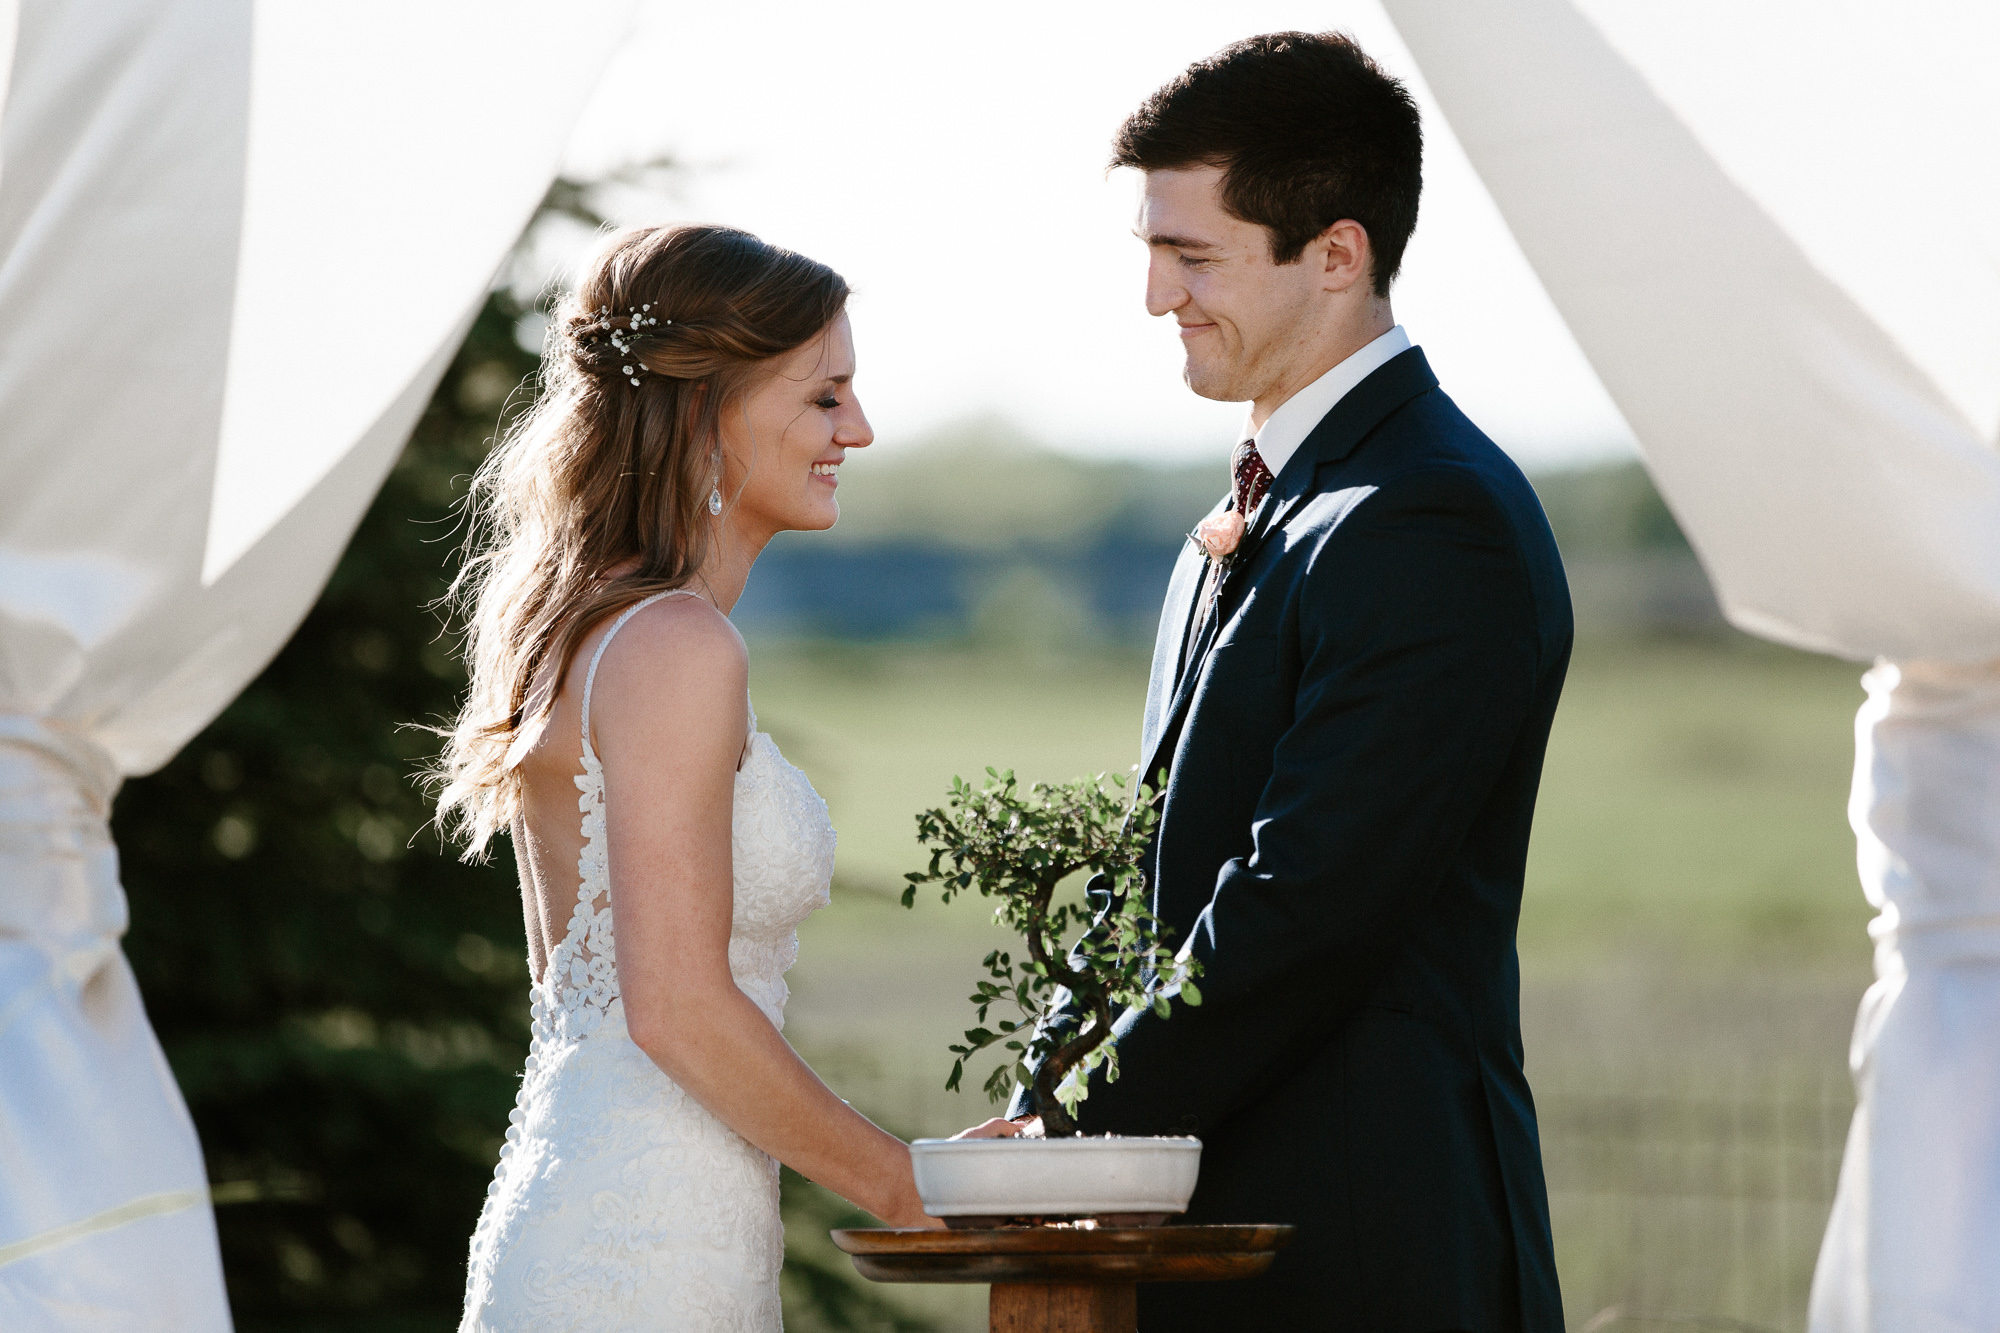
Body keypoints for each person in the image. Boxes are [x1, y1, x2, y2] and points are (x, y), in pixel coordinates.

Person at [1006, 32, 1572, 1331]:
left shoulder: (1433, 519)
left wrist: (1082, 1125)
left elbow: (1303, 902)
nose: (1158, 296)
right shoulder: (1259, 507)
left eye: (1193, 256)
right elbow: (1156, 866)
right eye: (1152, 253)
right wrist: (1045, 1104)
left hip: (1364, 1242)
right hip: (1205, 1241)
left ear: (1337, 253)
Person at [435, 224, 963, 1331]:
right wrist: (911, 1189)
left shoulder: (594, 624)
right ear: (710, 409)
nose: (857, 430)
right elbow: (671, 1007)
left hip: (607, 1210)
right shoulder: (673, 644)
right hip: (644, 1256)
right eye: (826, 396)